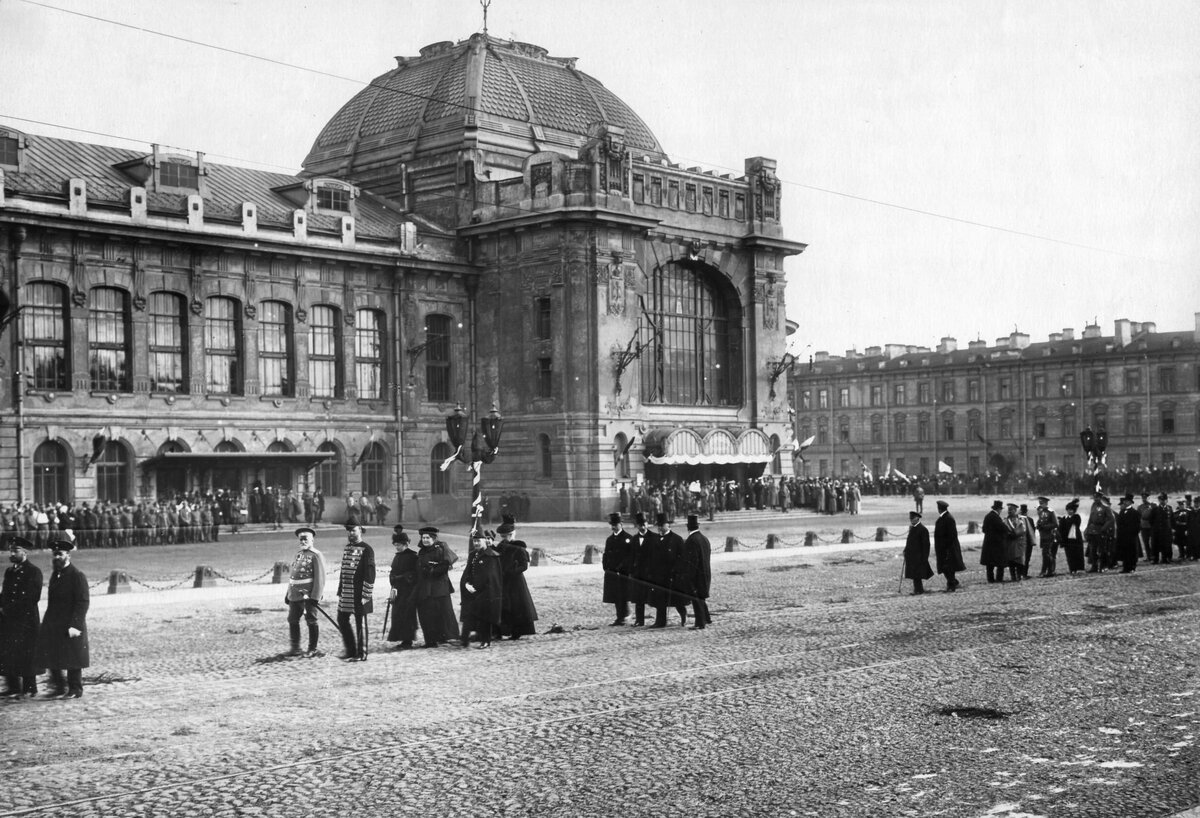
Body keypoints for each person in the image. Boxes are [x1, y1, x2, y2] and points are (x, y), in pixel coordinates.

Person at [35, 540, 89, 699]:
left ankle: (75, 689)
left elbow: (82, 602)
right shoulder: (56, 575)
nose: (57, 557)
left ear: (68, 555)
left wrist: (75, 625)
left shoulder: (77, 576)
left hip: (71, 623)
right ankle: (58, 687)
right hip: (54, 623)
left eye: (60, 554)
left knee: (73, 656)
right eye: (55, 554)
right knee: (51, 653)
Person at [1, 537, 43, 698]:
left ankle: (29, 688)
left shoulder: (33, 571)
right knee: (8, 652)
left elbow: (32, 598)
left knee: (26, 654)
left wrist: (8, 609)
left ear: (25, 552)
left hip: (25, 621)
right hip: (9, 620)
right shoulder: (10, 571)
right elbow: (6, 593)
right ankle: (13, 687)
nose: (11, 553)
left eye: (15, 551)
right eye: (10, 550)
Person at [335, 515, 375, 661]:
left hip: (360, 593)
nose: (351, 533)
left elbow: (370, 574)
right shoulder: (347, 548)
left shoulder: (367, 550)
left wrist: (366, 594)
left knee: (360, 623)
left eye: (354, 530)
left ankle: (361, 653)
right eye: (349, 531)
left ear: (360, 530)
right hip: (346, 592)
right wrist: (340, 590)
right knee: (342, 619)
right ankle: (350, 650)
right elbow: (343, 570)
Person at [414, 526, 459, 648]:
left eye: (428, 537)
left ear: (433, 538)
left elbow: (446, 564)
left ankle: (446, 637)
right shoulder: (422, 551)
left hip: (440, 587)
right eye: (423, 538)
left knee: (443, 612)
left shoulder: (441, 548)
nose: (425, 540)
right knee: (427, 614)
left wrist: (433, 571)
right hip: (426, 587)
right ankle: (431, 640)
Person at [285, 525, 326, 657]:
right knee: (292, 620)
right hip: (294, 595)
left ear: (312, 540)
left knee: (311, 620)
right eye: (301, 540)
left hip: (308, 596)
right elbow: (293, 575)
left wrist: (316, 596)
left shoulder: (316, 555)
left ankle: (312, 649)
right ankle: (295, 648)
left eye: (305, 539)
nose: (303, 542)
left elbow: (320, 578)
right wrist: (288, 593)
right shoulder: (298, 555)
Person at [495, 515, 538, 639]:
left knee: (517, 606)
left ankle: (517, 631)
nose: (504, 539)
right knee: (504, 606)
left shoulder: (519, 547)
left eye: (506, 536)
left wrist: (512, 571)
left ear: (511, 534)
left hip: (515, 582)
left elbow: (524, 566)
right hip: (503, 580)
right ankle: (502, 631)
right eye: (502, 536)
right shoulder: (501, 546)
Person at [459, 530, 502, 648]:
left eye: (479, 540)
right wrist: (466, 584)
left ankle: (486, 641)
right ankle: (464, 640)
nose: (476, 543)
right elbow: (468, 571)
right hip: (472, 591)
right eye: (474, 541)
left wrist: (476, 588)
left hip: (486, 592)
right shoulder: (473, 554)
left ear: (485, 541)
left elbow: (490, 577)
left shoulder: (491, 555)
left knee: (485, 617)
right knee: (469, 615)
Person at [649, 512, 687, 628]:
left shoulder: (677, 539)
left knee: (676, 600)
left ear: (668, 526)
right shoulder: (655, 539)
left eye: (662, 525)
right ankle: (660, 621)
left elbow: (682, 558)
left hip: (672, 575)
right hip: (659, 576)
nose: (660, 527)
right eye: (658, 525)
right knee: (660, 599)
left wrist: (676, 571)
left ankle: (683, 615)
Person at [386, 526, 420, 650]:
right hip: (398, 590)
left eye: (399, 545)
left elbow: (415, 574)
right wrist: (393, 580)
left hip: (409, 590)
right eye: (396, 545)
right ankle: (400, 637)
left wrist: (404, 577)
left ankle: (408, 639)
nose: (397, 547)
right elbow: (393, 571)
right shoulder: (397, 556)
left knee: (407, 614)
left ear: (405, 544)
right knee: (397, 614)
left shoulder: (413, 556)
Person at [680, 514, 712, 628]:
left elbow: (692, 562)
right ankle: (707, 618)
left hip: (696, 575)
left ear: (688, 527)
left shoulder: (691, 540)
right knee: (701, 596)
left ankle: (700, 623)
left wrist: (689, 577)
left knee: (696, 597)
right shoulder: (704, 539)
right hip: (706, 573)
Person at [602, 512, 633, 626]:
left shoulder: (628, 538)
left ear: (621, 524)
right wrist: (605, 567)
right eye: (612, 525)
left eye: (615, 524)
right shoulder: (609, 540)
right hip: (612, 572)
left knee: (623, 594)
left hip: (623, 572)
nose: (613, 527)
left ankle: (625, 615)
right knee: (615, 595)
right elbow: (606, 555)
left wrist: (623, 567)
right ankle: (619, 616)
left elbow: (630, 556)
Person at [932, 500, 964, 592]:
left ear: (939, 509)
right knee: (945, 567)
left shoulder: (948, 518)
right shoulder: (944, 518)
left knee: (948, 567)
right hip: (943, 548)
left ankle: (951, 585)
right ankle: (953, 582)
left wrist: (946, 547)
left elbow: (952, 535)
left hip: (948, 548)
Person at [628, 512, 653, 626]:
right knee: (638, 598)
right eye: (640, 525)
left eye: (644, 524)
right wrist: (631, 571)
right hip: (638, 573)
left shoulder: (654, 538)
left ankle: (660, 620)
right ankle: (639, 620)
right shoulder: (634, 539)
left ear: (647, 524)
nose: (642, 527)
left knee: (653, 597)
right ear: (637, 526)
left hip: (650, 574)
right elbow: (631, 556)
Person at [903, 511, 933, 595]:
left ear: (917, 518)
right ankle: (918, 589)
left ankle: (919, 590)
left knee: (917, 574)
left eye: (912, 519)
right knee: (914, 574)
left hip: (919, 556)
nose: (911, 520)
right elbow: (909, 541)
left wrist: (925, 557)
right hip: (912, 555)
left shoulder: (923, 529)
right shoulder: (913, 528)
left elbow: (926, 545)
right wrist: (906, 550)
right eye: (910, 519)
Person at [980, 500, 1009, 584]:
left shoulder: (987, 516)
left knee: (989, 563)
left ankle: (990, 579)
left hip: (988, 543)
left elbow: (984, 529)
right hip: (997, 543)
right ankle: (999, 579)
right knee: (1000, 562)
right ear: (999, 509)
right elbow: (1003, 528)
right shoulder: (996, 517)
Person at [1115, 494, 1142, 573]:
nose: (1125, 502)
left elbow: (1137, 526)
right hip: (1123, 536)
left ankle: (1132, 567)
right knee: (1125, 552)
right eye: (1125, 501)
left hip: (1131, 537)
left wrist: (1133, 534)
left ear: (1130, 502)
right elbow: (1119, 524)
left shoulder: (1135, 513)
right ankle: (1125, 567)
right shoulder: (1122, 512)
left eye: (1127, 501)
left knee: (1132, 552)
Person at [1058, 498, 1085, 574]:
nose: (1069, 511)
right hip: (1068, 540)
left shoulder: (1076, 517)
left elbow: (1075, 523)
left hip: (1076, 539)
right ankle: (1072, 569)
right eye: (1068, 510)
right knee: (1069, 555)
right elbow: (1061, 530)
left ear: (1074, 511)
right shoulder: (1064, 519)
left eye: (1071, 510)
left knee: (1078, 554)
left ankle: (1079, 568)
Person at [1034, 497, 1059, 578]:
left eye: (1042, 503)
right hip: (1043, 535)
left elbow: (1055, 524)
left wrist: (1045, 527)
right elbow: (1040, 522)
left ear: (1046, 503)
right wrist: (1038, 526)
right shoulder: (1041, 512)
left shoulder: (1051, 512)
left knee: (1046, 553)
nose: (1041, 505)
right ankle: (1048, 570)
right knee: (1045, 554)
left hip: (1049, 535)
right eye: (1040, 503)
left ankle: (1048, 570)